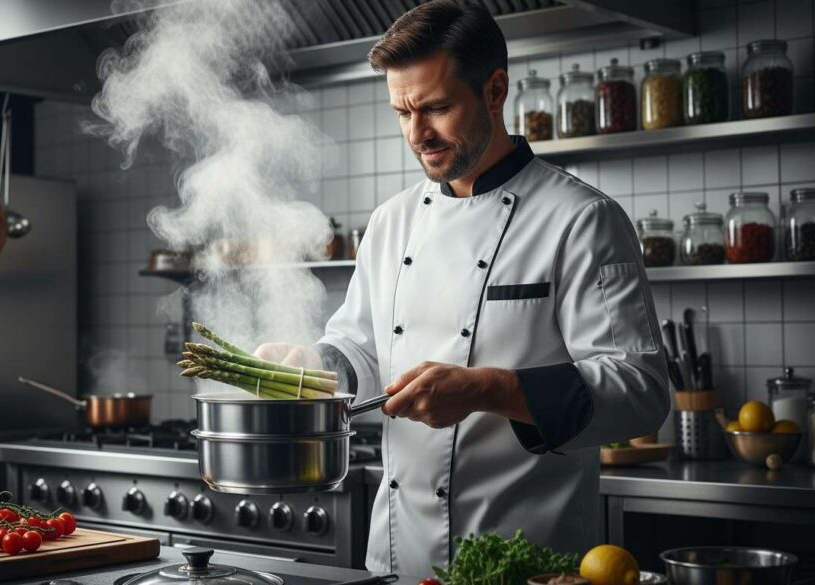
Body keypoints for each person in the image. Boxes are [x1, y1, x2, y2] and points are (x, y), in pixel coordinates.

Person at [255, 0, 669, 576]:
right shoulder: (390, 221)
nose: (417, 133)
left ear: (495, 90)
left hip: (527, 560)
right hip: (399, 556)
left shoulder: (581, 219)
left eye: (437, 108)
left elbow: (640, 391)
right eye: (402, 112)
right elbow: (363, 349)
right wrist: (315, 366)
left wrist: (488, 390)